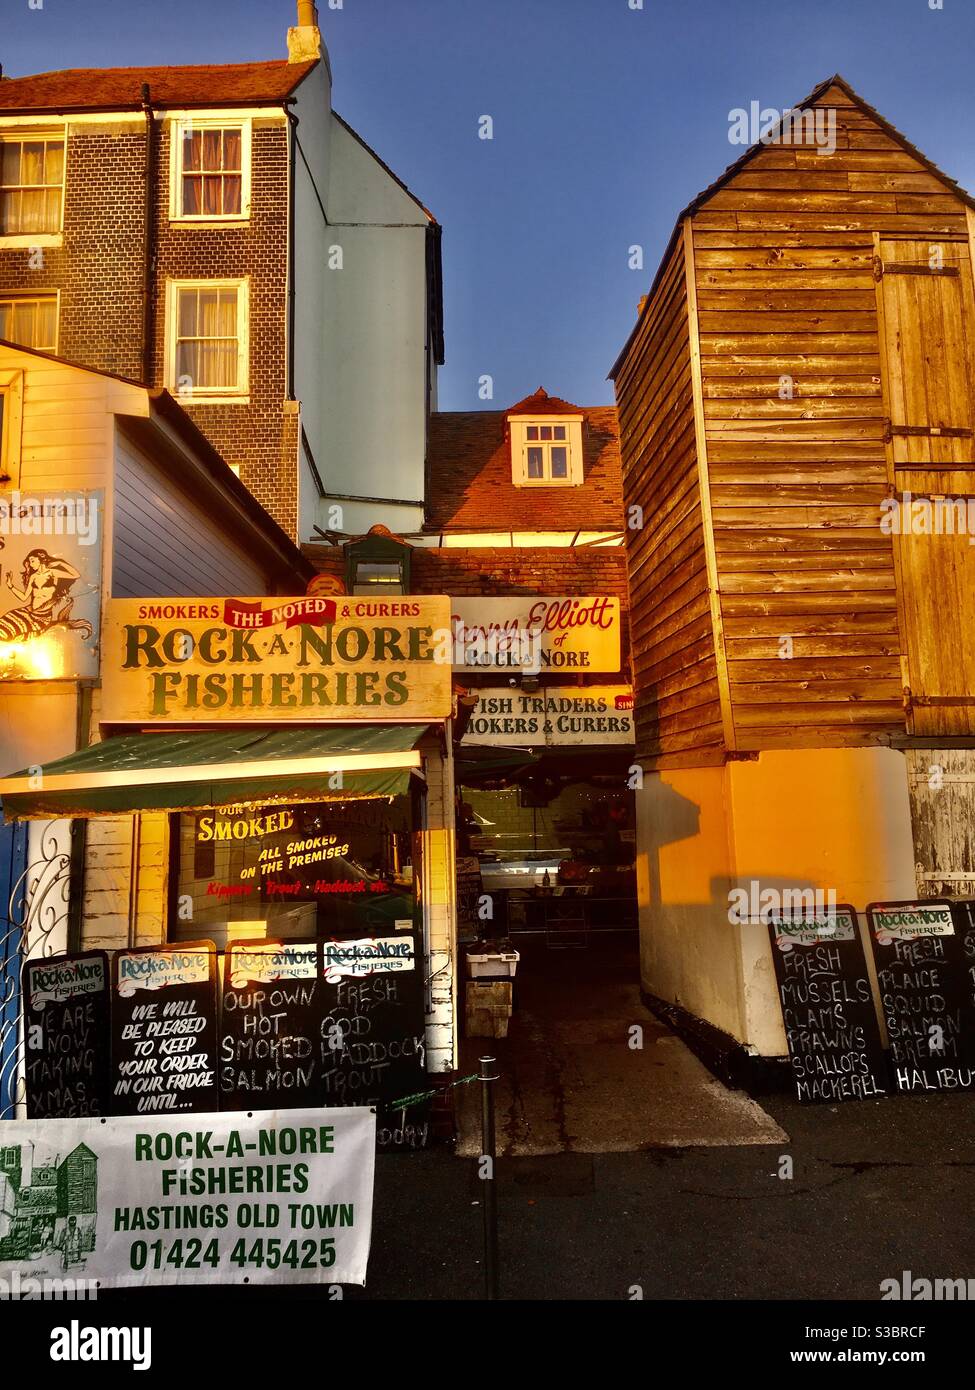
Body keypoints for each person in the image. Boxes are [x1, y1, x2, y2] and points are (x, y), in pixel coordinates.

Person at [0, 550, 92, 640]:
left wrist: (60, 563)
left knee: (10, 633)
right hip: (28, 611)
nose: (31, 564)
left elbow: (76, 575)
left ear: (41, 559)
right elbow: (24, 597)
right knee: (2, 626)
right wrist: (10, 586)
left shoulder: (52, 573)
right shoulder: (33, 576)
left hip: (41, 616)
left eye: (33, 561)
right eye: (30, 562)